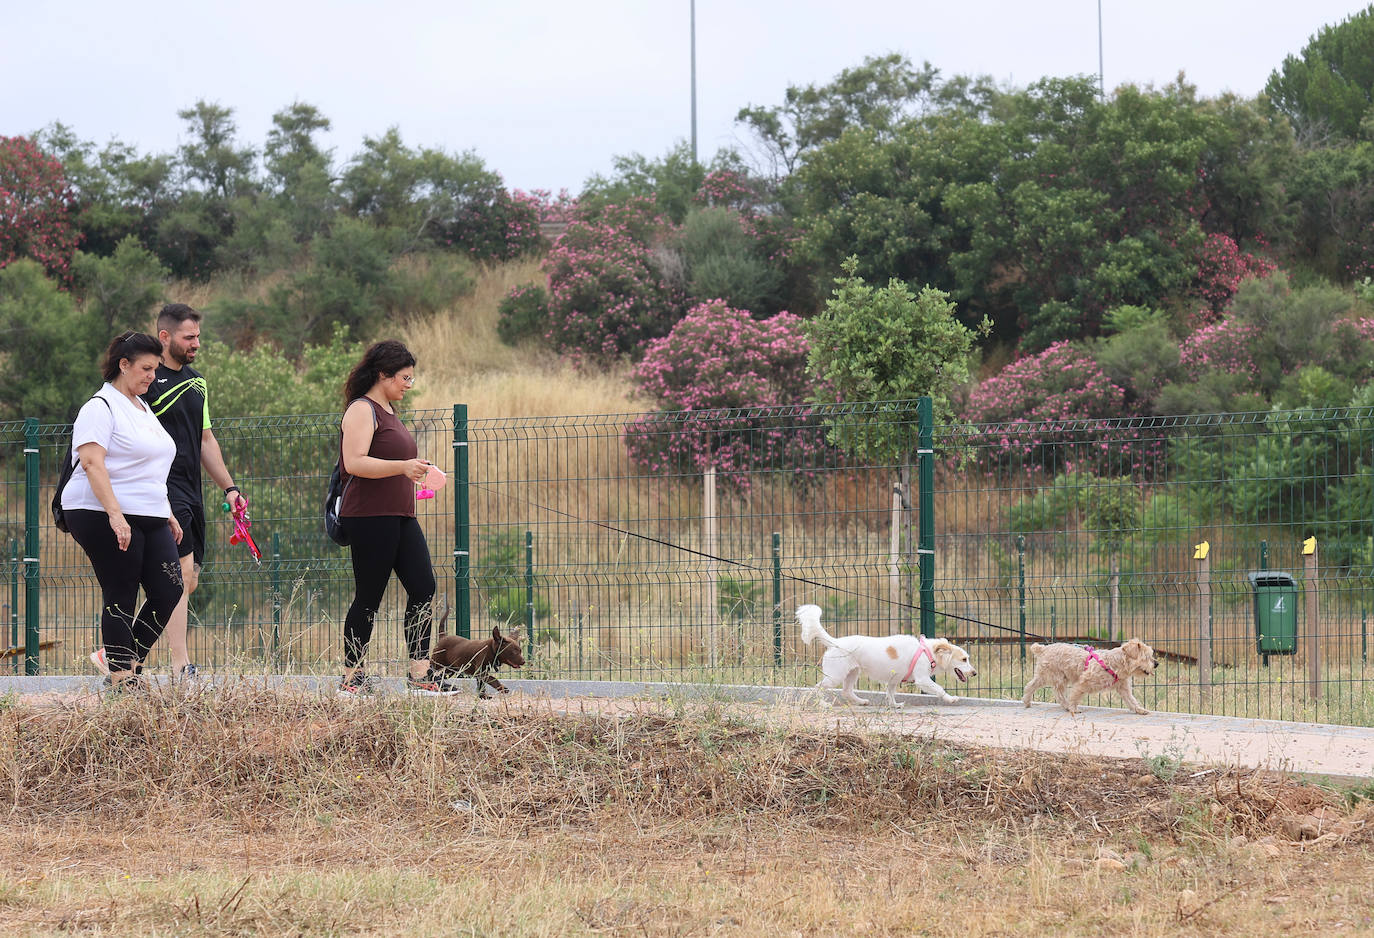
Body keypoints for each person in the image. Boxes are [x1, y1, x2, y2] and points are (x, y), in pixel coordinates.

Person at [90, 303, 246, 681]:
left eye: (198, 336)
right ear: (165, 336)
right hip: (160, 489)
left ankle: (120, 656)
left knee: (187, 580)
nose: (196, 343)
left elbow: (206, 440)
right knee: (179, 574)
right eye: (188, 337)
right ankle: (180, 666)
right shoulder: (145, 383)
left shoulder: (198, 383)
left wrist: (230, 487)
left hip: (191, 490)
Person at [63, 331, 184, 693]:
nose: (152, 376)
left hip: (150, 512)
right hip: (99, 510)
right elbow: (91, 462)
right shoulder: (99, 407)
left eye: (155, 369)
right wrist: (115, 515)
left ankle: (121, 660)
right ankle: (122, 682)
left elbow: (150, 466)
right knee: (122, 592)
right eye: (146, 369)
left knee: (169, 589)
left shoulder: (143, 408)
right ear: (124, 365)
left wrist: (166, 511)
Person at [336, 340, 446, 695]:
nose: (409, 385)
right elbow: (355, 462)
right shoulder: (361, 410)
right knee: (369, 596)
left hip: (400, 514)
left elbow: (392, 461)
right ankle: (352, 678)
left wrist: (417, 470)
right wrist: (402, 466)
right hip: (370, 516)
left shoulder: (389, 411)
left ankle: (420, 674)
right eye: (405, 378)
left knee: (423, 587)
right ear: (383, 374)